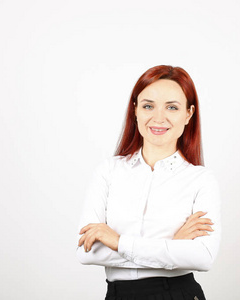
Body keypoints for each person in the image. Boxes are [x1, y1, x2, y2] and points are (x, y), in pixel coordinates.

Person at [76, 65, 221, 300]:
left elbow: (203, 257)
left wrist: (116, 241)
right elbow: (86, 251)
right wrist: (172, 245)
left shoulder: (201, 180)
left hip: (176, 294)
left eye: (172, 107)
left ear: (188, 113)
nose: (158, 118)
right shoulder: (108, 171)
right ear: (135, 110)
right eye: (148, 106)